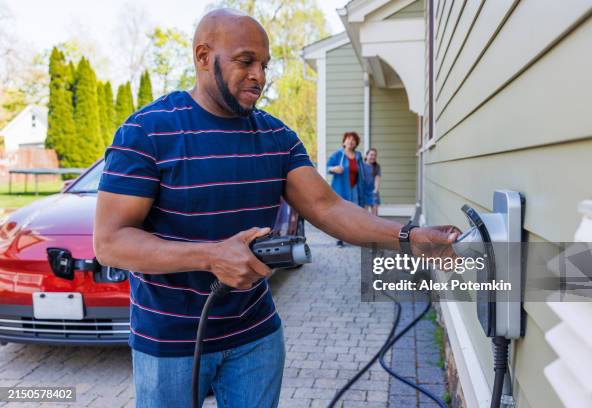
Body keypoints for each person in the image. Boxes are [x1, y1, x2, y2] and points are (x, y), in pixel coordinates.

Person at [93, 8, 460, 408]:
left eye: (265, 65)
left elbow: (329, 207)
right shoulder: (147, 132)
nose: (260, 76)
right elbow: (111, 242)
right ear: (203, 56)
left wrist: (408, 237)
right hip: (170, 342)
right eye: (245, 61)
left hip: (256, 336)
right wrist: (211, 257)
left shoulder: (276, 137)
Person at [327, 131, 367, 246]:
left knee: (355, 213)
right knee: (341, 214)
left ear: (356, 143)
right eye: (348, 139)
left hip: (355, 189)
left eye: (353, 140)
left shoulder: (358, 156)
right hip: (341, 189)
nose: (351, 141)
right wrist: (334, 169)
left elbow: (362, 172)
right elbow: (327, 167)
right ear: (344, 142)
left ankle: (354, 237)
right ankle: (340, 238)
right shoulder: (338, 154)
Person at [363, 148, 382, 216]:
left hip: (373, 191)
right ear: (366, 155)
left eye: (375, 155)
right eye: (371, 155)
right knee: (365, 213)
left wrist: (375, 190)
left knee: (375, 213)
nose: (373, 157)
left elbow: (377, 179)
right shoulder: (362, 165)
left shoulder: (377, 167)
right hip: (364, 191)